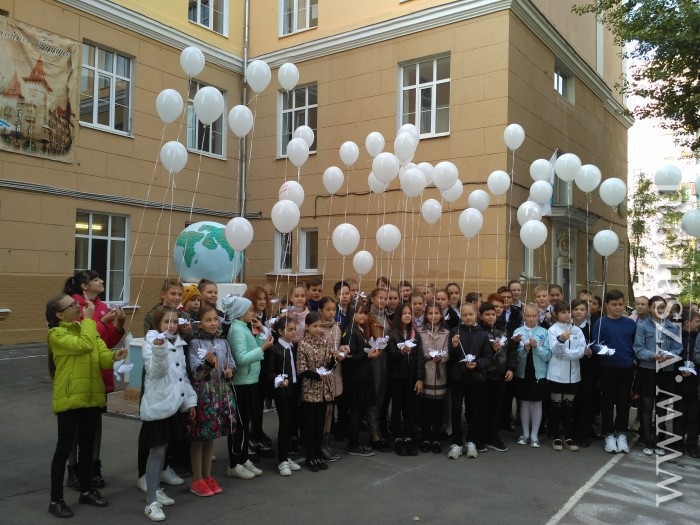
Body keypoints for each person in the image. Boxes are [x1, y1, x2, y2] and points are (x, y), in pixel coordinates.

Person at [46, 293, 127, 519]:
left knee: (87, 445)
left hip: (91, 395)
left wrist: (115, 356)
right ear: (60, 315)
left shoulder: (86, 329)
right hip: (70, 397)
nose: (78, 306)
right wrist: (90, 320)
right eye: (72, 305)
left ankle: (87, 490)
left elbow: (100, 356)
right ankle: (56, 499)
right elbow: (84, 345)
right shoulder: (56, 334)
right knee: (64, 449)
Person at [63, 270, 126, 490]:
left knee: (95, 422)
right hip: (79, 373)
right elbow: (82, 338)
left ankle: (93, 465)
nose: (102, 281)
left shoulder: (101, 305)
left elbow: (106, 342)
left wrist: (118, 326)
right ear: (84, 285)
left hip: (99, 373)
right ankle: (73, 469)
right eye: (97, 279)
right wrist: (101, 321)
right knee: (75, 426)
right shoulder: (73, 306)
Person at [140, 306, 197, 520]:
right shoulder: (151, 342)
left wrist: (190, 401)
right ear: (157, 324)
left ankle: (156, 490)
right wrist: (159, 349)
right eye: (166, 322)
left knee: (164, 450)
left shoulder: (178, 343)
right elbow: (156, 372)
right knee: (156, 452)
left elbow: (182, 376)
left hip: (173, 404)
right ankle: (150, 503)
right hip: (158, 404)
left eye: (174, 322)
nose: (171, 326)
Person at [185, 304, 237, 496]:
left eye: (215, 319)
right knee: (199, 437)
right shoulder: (195, 344)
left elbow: (231, 363)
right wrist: (207, 364)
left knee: (211, 437)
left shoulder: (223, 342)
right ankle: (197, 479)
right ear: (199, 323)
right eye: (208, 320)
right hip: (204, 396)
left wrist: (230, 371)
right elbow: (196, 373)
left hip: (220, 394)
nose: (213, 323)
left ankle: (207, 476)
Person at [223, 295, 274, 480]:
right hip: (241, 383)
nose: (254, 313)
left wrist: (260, 335)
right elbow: (241, 358)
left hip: (250, 381)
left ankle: (243, 458)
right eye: (250, 310)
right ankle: (235, 463)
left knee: (245, 424)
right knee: (239, 426)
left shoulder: (244, 327)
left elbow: (254, 347)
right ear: (240, 312)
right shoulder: (237, 330)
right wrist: (263, 349)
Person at [633, 296, 682, 456]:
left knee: (662, 408)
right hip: (647, 370)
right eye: (655, 307)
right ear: (649, 308)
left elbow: (678, 348)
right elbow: (638, 348)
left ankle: (659, 442)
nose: (659, 310)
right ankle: (648, 441)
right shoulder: (642, 326)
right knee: (647, 407)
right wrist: (652, 355)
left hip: (666, 371)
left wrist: (668, 356)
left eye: (662, 307)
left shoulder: (673, 327)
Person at [591, 290, 637, 454]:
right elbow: (594, 344)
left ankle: (622, 433)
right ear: (607, 305)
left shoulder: (630, 323)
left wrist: (634, 359)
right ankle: (609, 434)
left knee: (624, 401)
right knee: (608, 400)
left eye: (620, 304)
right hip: (607, 366)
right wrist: (604, 351)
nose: (617, 307)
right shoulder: (601, 323)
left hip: (626, 366)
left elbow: (635, 344)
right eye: (614, 304)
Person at [447, 303, 492, 459]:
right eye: (465, 315)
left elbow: (488, 357)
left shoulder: (483, 334)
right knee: (456, 409)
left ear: (476, 314)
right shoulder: (455, 331)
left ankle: (471, 440)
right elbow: (450, 357)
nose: (468, 317)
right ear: (461, 316)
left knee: (473, 409)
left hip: (475, 378)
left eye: (470, 314)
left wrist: (477, 364)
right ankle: (457, 442)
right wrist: (453, 346)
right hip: (458, 377)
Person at [297, 312, 337, 472]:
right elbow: (301, 369)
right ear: (307, 327)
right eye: (315, 326)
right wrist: (317, 376)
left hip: (323, 389)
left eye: (320, 326)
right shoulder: (303, 344)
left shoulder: (325, 341)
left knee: (320, 424)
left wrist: (334, 359)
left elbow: (329, 363)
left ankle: (318, 454)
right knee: (309, 424)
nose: (318, 329)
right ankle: (310, 456)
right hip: (310, 388)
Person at [340, 302, 379, 456]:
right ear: (352, 314)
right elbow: (349, 357)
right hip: (356, 378)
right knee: (356, 411)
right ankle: (353, 444)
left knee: (359, 410)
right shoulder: (350, 331)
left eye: (365, 313)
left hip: (361, 376)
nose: (364, 315)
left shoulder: (358, 329)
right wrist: (367, 356)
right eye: (360, 312)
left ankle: (355, 442)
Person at [547, 301, 586, 452]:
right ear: (556, 314)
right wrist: (562, 340)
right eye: (563, 312)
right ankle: (556, 436)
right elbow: (556, 352)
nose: (567, 314)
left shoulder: (577, 330)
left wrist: (569, 354)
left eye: (568, 311)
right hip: (556, 374)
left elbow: (581, 351)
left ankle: (569, 436)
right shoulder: (552, 330)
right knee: (556, 406)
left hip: (573, 374)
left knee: (569, 407)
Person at [387, 303, 425, 455]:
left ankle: (408, 437)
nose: (408, 315)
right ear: (398, 315)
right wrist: (401, 352)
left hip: (411, 377)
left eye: (409, 313)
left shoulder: (415, 334)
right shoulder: (392, 334)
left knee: (409, 408)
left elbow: (420, 358)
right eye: (404, 313)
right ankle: (398, 438)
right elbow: (391, 356)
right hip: (396, 377)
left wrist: (419, 378)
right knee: (397, 407)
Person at [478, 301, 516, 452]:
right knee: (483, 407)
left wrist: (511, 368)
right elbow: (478, 353)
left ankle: (493, 437)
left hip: (500, 375)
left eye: (493, 314)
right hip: (484, 376)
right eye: (487, 314)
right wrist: (492, 349)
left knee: (496, 407)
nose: (491, 317)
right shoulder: (479, 332)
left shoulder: (503, 330)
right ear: (481, 316)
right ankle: (480, 437)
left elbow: (511, 351)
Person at [512, 304, 552, 448]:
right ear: (524, 316)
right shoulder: (518, 332)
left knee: (537, 403)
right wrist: (524, 350)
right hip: (523, 372)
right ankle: (525, 433)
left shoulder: (544, 332)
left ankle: (534, 435)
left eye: (534, 316)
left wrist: (536, 347)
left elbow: (548, 355)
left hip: (539, 373)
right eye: (528, 316)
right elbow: (514, 354)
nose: (530, 319)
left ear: (538, 317)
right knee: (524, 402)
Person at [268, 316, 303, 476]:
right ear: (280, 331)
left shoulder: (293, 346)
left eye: (294, 329)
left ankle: (286, 456)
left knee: (292, 423)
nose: (293, 332)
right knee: (285, 422)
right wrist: (278, 379)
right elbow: (269, 372)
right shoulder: (275, 349)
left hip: (294, 389)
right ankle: (282, 460)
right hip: (282, 392)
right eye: (290, 330)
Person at [244, 285, 275, 460]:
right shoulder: (248, 320)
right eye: (259, 299)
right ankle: (250, 440)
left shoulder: (266, 317)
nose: (262, 302)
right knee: (251, 406)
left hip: (265, 367)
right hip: (253, 366)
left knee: (259, 405)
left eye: (264, 298)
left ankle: (257, 435)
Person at [417, 303, 449, 453]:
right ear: (426, 315)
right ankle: (425, 437)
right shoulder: (419, 331)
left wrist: (441, 357)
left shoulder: (446, 333)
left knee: (437, 408)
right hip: (424, 374)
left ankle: (436, 438)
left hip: (439, 374)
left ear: (441, 315)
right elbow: (418, 353)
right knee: (425, 408)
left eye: (436, 313)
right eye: (430, 313)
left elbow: (448, 352)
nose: (433, 316)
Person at [366, 287, 393, 452]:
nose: (383, 301)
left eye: (385, 298)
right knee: (374, 396)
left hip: (386, 359)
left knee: (382, 396)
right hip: (375, 359)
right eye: (380, 298)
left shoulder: (386, 317)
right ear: (372, 299)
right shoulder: (368, 317)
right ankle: (374, 435)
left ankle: (379, 430)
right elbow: (367, 338)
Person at [570, 298, 598, 448]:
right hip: (570, 367)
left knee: (586, 400)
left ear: (587, 312)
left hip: (587, 368)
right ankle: (572, 431)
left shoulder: (592, 328)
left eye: (582, 309)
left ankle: (584, 432)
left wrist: (591, 352)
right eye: (576, 309)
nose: (579, 312)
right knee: (573, 400)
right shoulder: (567, 327)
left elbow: (598, 346)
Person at [319, 297, 343, 461]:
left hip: (335, 373)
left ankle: (327, 439)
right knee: (323, 409)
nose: (331, 312)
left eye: (334, 309)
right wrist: (330, 355)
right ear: (321, 310)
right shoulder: (317, 327)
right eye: (328, 309)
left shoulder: (337, 328)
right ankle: (319, 441)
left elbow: (338, 346)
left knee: (330, 409)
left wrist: (342, 350)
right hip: (322, 374)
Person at [680, 308, 699, 458]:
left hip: (695, 381)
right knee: (680, 413)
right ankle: (678, 442)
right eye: (697, 321)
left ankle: (692, 443)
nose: (699, 324)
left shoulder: (697, 336)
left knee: (694, 414)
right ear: (687, 322)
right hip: (680, 380)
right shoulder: (678, 337)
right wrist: (680, 369)